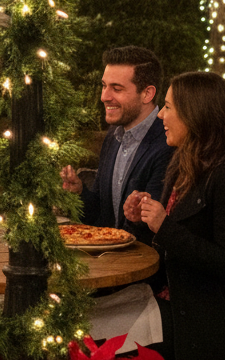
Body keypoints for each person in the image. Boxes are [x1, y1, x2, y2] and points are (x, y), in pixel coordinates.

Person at [122, 72, 225, 360]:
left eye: (169, 107)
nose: (160, 114)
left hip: (209, 322)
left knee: (109, 340)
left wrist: (165, 226)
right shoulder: (184, 164)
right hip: (177, 300)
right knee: (94, 317)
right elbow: (171, 245)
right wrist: (142, 222)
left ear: (196, 114)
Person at [60, 46, 172, 242]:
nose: (104, 96)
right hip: (109, 260)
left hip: (143, 266)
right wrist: (79, 193)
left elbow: (152, 229)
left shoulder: (167, 143)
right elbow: (101, 216)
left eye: (116, 88)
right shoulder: (114, 135)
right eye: (104, 86)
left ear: (147, 94)